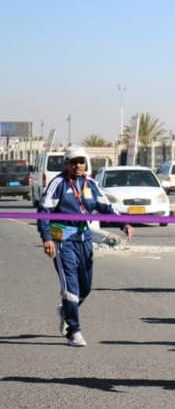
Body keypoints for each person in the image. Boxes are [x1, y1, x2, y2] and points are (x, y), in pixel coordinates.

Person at [37, 146, 133, 347]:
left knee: (85, 287)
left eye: (81, 162)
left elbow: (105, 207)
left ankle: (66, 310)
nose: (78, 166)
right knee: (70, 286)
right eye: (73, 162)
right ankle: (74, 331)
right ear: (66, 165)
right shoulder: (58, 184)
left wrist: (123, 223)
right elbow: (44, 210)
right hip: (63, 240)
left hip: (84, 239)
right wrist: (47, 239)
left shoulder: (91, 184)